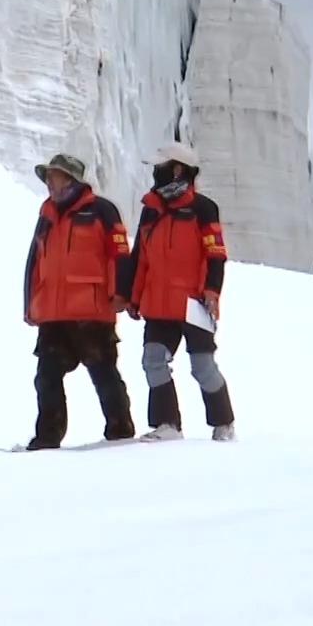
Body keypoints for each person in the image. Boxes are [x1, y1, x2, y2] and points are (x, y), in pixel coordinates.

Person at [20, 153, 139, 449]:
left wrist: (121, 293)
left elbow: (120, 254)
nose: (50, 184)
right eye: (48, 178)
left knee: (103, 373)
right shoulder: (46, 215)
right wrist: (31, 305)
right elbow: (34, 262)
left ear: (71, 180)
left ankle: (120, 432)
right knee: (46, 376)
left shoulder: (102, 211)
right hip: (53, 313)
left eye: (55, 178)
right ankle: (47, 437)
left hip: (93, 311)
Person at [124, 141, 236, 441]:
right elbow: (140, 258)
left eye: (160, 167)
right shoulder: (151, 211)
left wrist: (212, 291)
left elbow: (216, 254)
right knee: (153, 360)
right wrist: (133, 297)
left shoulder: (202, 209)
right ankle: (167, 425)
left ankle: (224, 424)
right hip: (157, 303)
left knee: (202, 366)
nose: (155, 173)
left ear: (177, 169)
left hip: (195, 303)